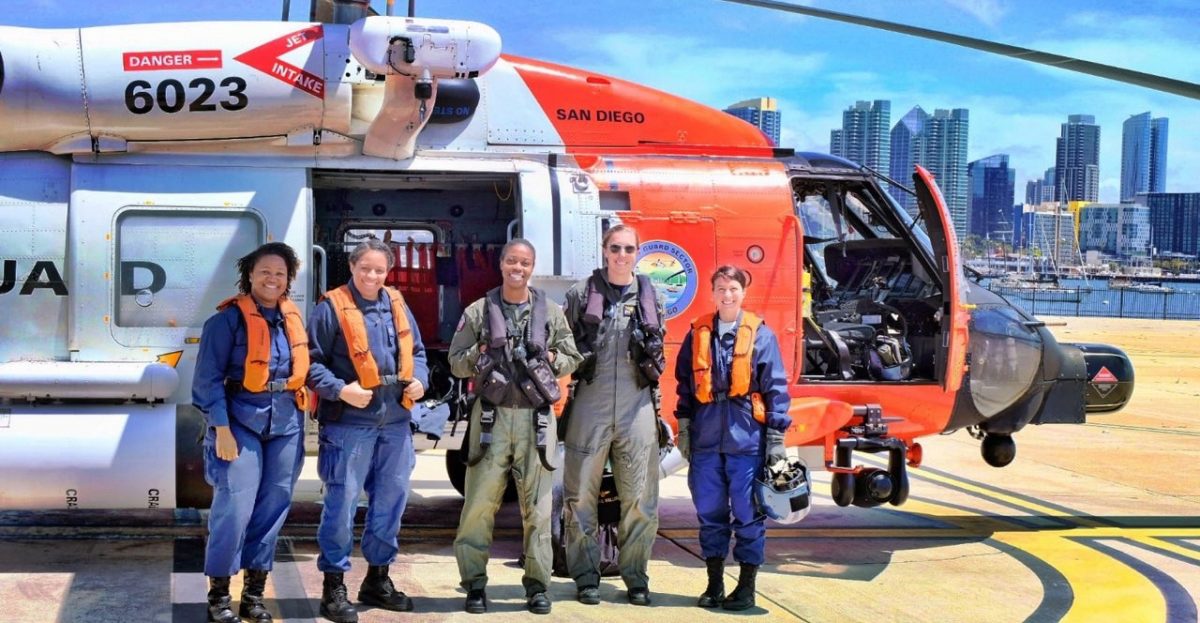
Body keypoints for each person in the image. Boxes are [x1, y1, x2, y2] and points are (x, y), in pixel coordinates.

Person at [449, 239, 582, 615]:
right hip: (491, 419)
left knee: (539, 511)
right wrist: (482, 355)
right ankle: (474, 584)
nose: (517, 268)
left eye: (524, 263)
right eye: (511, 261)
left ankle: (538, 586)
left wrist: (550, 359)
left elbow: (573, 355)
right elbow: (456, 361)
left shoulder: (550, 312)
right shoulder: (479, 310)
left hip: (536, 421)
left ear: (532, 266)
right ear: (501, 265)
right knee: (478, 507)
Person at [307, 239, 429, 623]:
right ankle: (334, 586)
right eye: (365, 268)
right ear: (352, 266)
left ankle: (378, 579)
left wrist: (420, 382)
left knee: (390, 502)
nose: (371, 276)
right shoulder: (329, 309)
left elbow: (419, 354)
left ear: (387, 272)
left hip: (395, 422)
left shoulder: (397, 304)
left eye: (379, 270)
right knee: (341, 505)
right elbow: (309, 363)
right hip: (349, 425)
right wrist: (340, 389)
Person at [192, 242, 310, 623]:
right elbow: (207, 381)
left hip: (287, 425)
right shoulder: (225, 322)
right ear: (250, 275)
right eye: (265, 272)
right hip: (240, 422)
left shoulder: (293, 320)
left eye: (280, 273)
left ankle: (254, 595)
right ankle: (219, 595)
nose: (272, 279)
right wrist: (221, 429)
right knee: (234, 507)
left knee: (273, 508)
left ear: (289, 279)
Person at [674, 265, 791, 612]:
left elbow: (776, 389)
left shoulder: (762, 336)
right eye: (721, 288)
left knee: (748, 514)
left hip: (747, 442)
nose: (727, 294)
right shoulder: (697, 334)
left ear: (744, 292)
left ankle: (747, 587)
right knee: (709, 513)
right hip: (706, 439)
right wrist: (683, 430)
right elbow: (685, 387)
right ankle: (714, 584)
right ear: (712, 292)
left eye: (734, 288)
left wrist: (775, 439)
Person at [561, 225, 666, 606]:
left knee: (640, 497)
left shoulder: (650, 297)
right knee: (579, 497)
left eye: (629, 249)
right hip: (590, 401)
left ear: (637, 252)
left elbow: (659, 356)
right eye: (615, 248)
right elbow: (562, 348)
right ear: (605, 251)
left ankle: (636, 576)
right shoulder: (579, 295)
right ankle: (586, 576)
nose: (622, 255)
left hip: (637, 405)